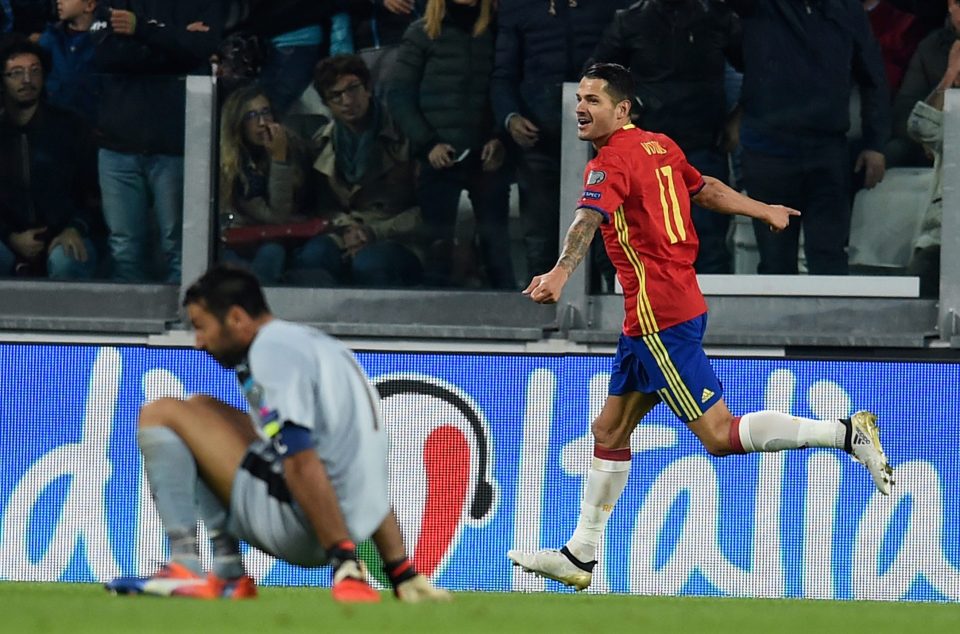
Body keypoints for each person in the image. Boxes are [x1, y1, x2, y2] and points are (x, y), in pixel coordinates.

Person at [507, 64, 894, 591]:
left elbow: (586, 221)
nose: (581, 107)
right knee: (609, 430)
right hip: (663, 308)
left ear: (622, 110)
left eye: (594, 100)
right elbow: (703, 187)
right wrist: (762, 209)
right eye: (581, 97)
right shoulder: (658, 146)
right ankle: (581, 554)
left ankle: (843, 433)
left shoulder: (608, 163)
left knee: (717, 435)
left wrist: (559, 271)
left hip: (657, 318)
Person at [105, 265, 452, 603]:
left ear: (237, 318)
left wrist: (342, 559)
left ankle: (186, 565)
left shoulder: (271, 353)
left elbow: (300, 458)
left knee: (161, 413)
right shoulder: (312, 344)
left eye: (201, 327)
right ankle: (227, 573)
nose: (198, 343)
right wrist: (401, 570)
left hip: (310, 527)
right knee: (201, 406)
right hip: (349, 516)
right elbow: (363, 460)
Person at [728, 0, 890, 275]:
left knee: (829, 257)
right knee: (775, 261)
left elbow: (873, 77)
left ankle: (832, 319)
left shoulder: (847, 10)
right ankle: (777, 320)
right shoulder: (758, 7)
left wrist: (875, 144)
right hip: (769, 152)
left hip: (828, 151)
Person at [588, 0, 743, 274]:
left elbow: (759, 67)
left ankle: (710, 313)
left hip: (703, 146)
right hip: (647, 153)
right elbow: (595, 78)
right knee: (644, 239)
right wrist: (627, 105)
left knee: (708, 243)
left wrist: (739, 118)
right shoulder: (629, 21)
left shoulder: (719, 18)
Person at [389, 0, 516, 288]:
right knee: (437, 254)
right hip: (438, 159)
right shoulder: (421, 33)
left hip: (486, 158)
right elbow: (399, 97)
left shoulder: (497, 33)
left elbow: (504, 86)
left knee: (498, 252)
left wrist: (499, 137)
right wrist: (428, 144)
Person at [289, 54, 424, 287]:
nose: (347, 100)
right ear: (327, 103)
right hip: (345, 232)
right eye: (336, 95)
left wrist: (373, 232)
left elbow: (429, 210)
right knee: (313, 256)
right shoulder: (322, 142)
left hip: (398, 235)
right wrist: (348, 229)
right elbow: (323, 208)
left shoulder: (404, 133)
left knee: (370, 263)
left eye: (353, 89)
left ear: (368, 88)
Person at [0, 36, 99, 279]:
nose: (27, 80)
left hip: (64, 233)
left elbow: (95, 193)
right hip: (7, 237)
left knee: (67, 259)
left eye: (34, 71)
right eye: (16, 73)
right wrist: (10, 236)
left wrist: (76, 227)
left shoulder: (70, 126)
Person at [218, 84, 312, 284]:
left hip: (282, 239)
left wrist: (279, 159)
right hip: (238, 240)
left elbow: (279, 215)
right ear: (238, 123)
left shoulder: (291, 145)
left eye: (265, 112)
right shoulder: (232, 161)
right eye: (251, 116)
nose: (262, 122)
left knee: (272, 253)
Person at [904, 39, 960, 297]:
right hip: (942, 238)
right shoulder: (954, 116)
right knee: (922, 273)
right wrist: (949, 76)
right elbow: (919, 127)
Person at [37, 0, 99, 126]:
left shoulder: (106, 42)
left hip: (96, 129)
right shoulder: (49, 39)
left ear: (89, 5)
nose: (58, 1)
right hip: (55, 126)